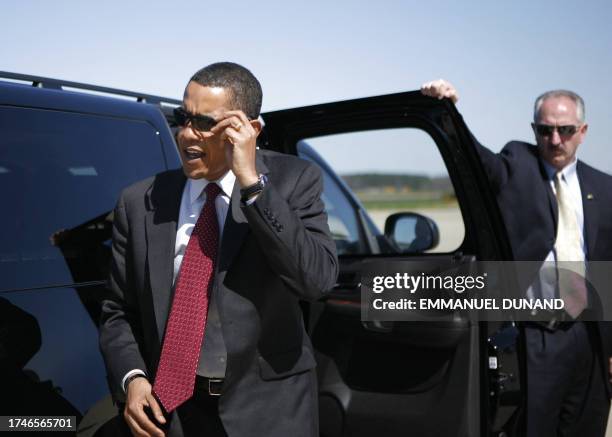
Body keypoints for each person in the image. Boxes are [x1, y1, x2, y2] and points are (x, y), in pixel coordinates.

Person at [99, 62, 338, 437]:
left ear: (250, 130)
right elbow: (118, 311)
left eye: (205, 123)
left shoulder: (294, 181)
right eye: (183, 117)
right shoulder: (139, 201)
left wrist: (252, 185)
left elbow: (316, 280)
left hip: (269, 414)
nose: (186, 135)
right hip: (172, 414)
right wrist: (133, 378)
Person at [421, 80, 612, 436]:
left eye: (566, 130)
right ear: (533, 130)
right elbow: (474, 159)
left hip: (590, 339)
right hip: (537, 337)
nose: (555, 140)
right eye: (545, 130)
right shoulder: (516, 164)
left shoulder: (604, 187)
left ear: (583, 131)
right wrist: (447, 111)